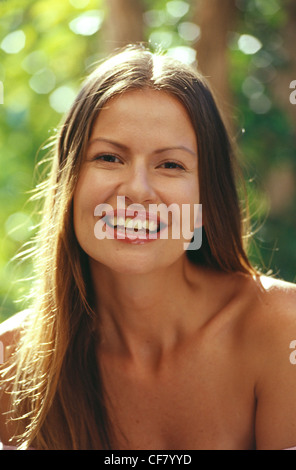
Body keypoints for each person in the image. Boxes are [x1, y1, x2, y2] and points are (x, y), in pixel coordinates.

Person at [1, 44, 296, 451]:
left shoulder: (283, 332)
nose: (137, 190)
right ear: (68, 184)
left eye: (170, 165)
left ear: (206, 201)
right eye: (109, 157)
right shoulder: (11, 360)